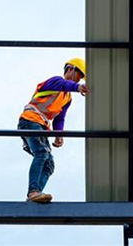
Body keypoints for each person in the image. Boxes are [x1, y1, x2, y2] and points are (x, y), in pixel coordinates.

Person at [18, 58, 89, 203]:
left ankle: (36, 194)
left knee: (49, 164)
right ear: (70, 69)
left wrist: (59, 135)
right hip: (30, 120)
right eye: (78, 75)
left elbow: (59, 118)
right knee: (42, 153)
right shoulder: (55, 81)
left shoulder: (67, 98)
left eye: (81, 78)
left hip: (40, 125)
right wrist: (78, 87)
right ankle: (33, 192)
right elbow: (64, 84)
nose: (78, 79)